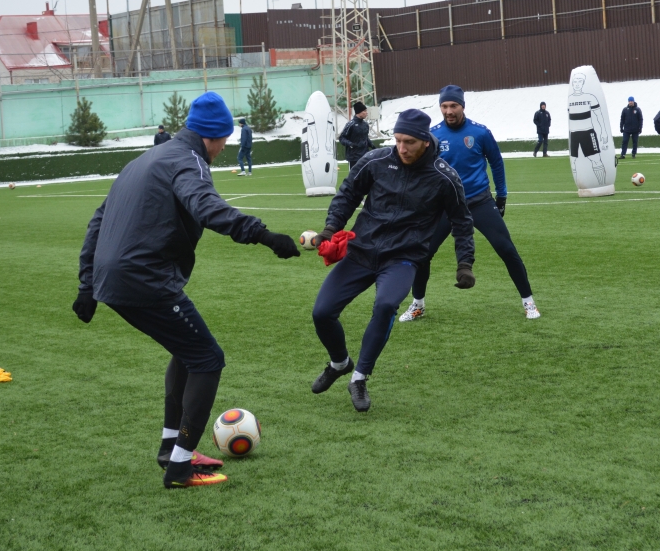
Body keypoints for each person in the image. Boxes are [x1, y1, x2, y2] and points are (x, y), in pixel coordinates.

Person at [73, 92, 301, 489]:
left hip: (116, 278)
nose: (225, 147)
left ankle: (169, 447)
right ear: (213, 136)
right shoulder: (188, 161)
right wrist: (264, 235)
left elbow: (98, 220)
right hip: (144, 278)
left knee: (186, 350)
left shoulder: (145, 158)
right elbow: (208, 208)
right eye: (224, 139)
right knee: (208, 359)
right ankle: (180, 465)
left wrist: (88, 285)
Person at [309, 109, 475, 413]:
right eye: (398, 140)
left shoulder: (444, 177)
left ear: (425, 141)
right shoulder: (376, 161)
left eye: (409, 141)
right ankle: (340, 363)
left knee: (385, 305)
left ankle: (359, 377)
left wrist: (465, 263)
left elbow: (462, 221)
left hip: (403, 258)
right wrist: (331, 229)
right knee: (322, 312)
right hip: (361, 251)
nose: (401, 148)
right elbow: (347, 194)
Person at [399, 84, 540, 323]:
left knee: (506, 249)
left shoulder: (481, 133)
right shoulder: (432, 136)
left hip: (479, 201)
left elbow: (496, 163)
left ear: (462, 106)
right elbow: (422, 170)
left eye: (453, 105)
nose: (448, 110)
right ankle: (418, 304)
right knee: (422, 254)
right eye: (444, 106)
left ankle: (528, 301)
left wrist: (502, 195)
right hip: (444, 206)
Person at [338, 102, 373, 168]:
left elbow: (365, 137)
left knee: (365, 177)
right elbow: (342, 138)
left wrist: (372, 145)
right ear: (359, 112)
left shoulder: (365, 125)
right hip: (353, 157)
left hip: (365, 156)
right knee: (354, 177)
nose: (367, 113)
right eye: (364, 111)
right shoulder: (351, 124)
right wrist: (350, 144)